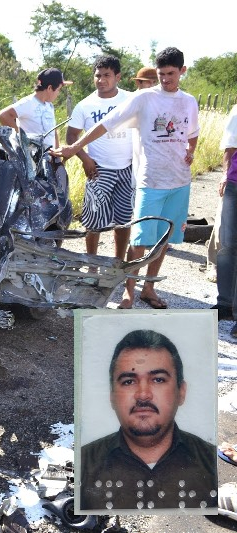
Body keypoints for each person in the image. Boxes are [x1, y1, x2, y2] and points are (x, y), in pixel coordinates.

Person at [51, 47, 199, 309]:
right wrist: (75, 149)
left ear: (182, 71)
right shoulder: (143, 98)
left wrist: (191, 150)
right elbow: (107, 123)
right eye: (161, 74)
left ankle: (149, 288)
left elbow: (192, 132)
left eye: (171, 74)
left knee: (164, 239)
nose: (165, 79)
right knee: (140, 239)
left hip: (179, 182)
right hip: (149, 181)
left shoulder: (189, 101)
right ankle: (128, 292)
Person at [78, 329, 217, 511]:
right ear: (112, 397)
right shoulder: (83, 464)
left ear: (181, 393)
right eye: (128, 381)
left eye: (158, 380)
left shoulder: (211, 462)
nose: (143, 395)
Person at [66, 55, 134, 260]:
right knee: (93, 222)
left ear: (118, 77)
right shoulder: (85, 105)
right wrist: (85, 159)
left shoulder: (131, 99)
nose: (101, 80)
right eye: (98, 75)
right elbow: (71, 136)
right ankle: (92, 265)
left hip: (127, 168)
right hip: (98, 169)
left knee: (123, 221)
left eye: (107, 75)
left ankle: (118, 263)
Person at [0, 68, 72, 149]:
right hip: (32, 158)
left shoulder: (49, 105)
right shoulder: (28, 103)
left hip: (49, 159)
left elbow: (53, 131)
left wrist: (57, 155)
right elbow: (3, 116)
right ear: (50, 88)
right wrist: (21, 139)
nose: (58, 93)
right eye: (58, 89)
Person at [214, 104, 237, 327]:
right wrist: (224, 175)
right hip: (235, 184)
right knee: (228, 245)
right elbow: (229, 147)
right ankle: (225, 304)